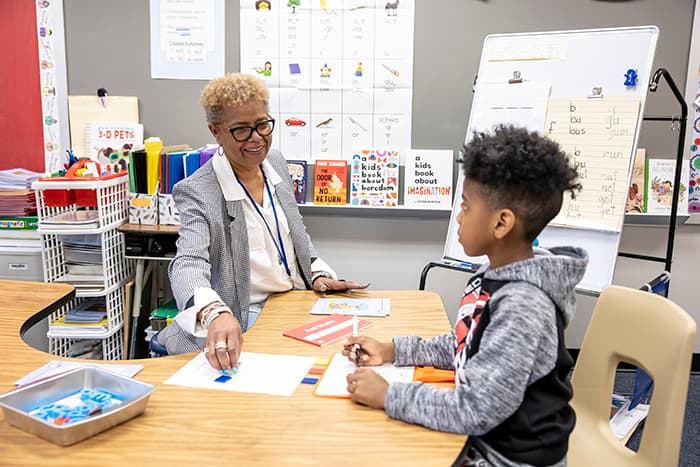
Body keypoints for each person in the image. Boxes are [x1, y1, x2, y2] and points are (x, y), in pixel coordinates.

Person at [342, 125, 588, 467]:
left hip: (509, 458)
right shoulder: (492, 275)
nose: (458, 217)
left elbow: (476, 409)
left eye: (466, 207)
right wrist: (392, 349)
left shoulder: (523, 305)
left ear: (501, 223)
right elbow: (466, 344)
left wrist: (390, 395)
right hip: (484, 441)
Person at [159, 73, 367, 370]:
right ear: (216, 132)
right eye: (242, 130)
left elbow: (296, 234)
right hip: (246, 317)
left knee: (354, 354)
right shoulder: (198, 191)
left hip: (294, 304)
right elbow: (187, 263)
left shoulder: (276, 163)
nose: (257, 138)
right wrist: (215, 312)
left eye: (262, 125)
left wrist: (318, 273)